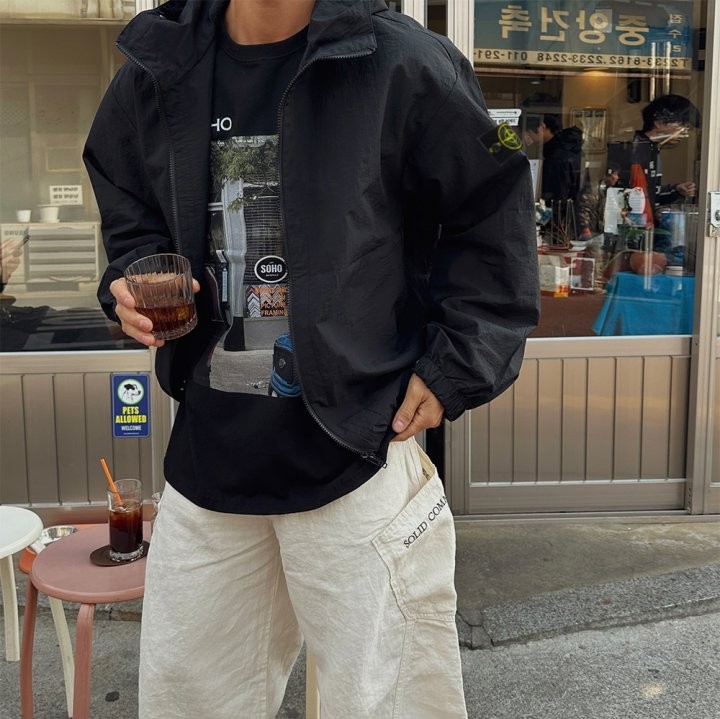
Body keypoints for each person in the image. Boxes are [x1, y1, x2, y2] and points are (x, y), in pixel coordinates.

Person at [83, 1, 539, 717]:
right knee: (188, 702)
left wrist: (456, 364)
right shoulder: (159, 64)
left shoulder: (403, 60)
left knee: (387, 702)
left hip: (360, 447)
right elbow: (126, 195)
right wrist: (133, 273)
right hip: (209, 460)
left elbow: (493, 206)